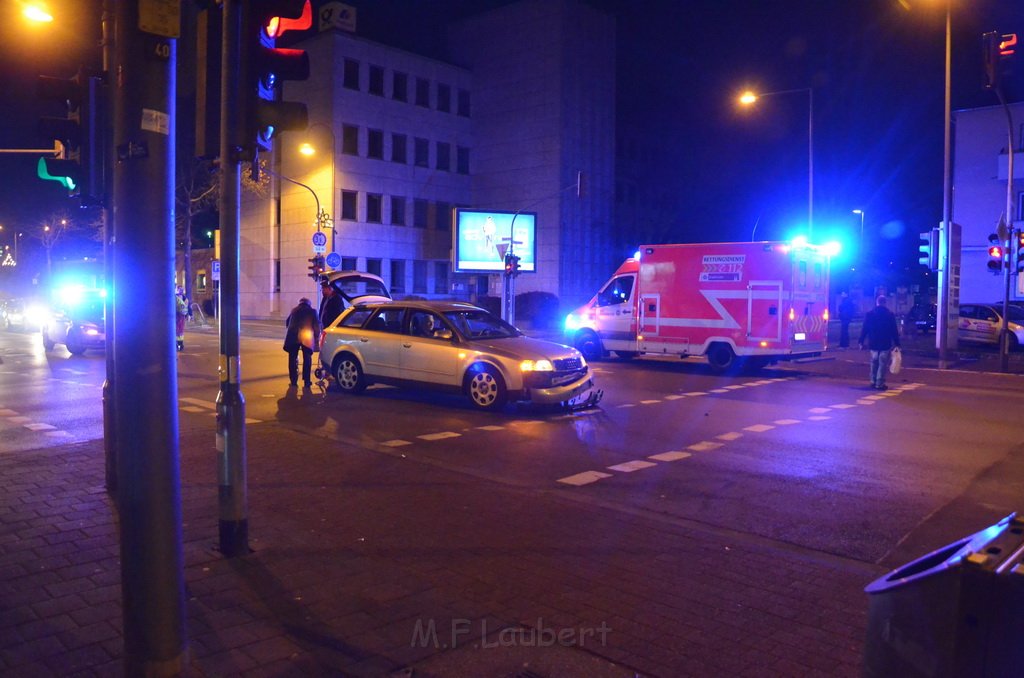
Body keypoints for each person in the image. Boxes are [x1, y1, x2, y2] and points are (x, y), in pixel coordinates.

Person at [859, 294, 900, 390]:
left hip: (873, 342)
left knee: (874, 362)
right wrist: (897, 343)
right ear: (885, 303)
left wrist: (861, 341)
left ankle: (873, 381)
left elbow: (864, 329)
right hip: (885, 342)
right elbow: (894, 330)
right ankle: (879, 383)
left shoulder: (870, 314)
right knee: (882, 363)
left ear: (877, 303)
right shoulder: (889, 314)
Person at [284, 297, 320, 387]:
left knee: (292, 358)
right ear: (309, 304)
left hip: (293, 336)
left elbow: (287, 322)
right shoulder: (312, 311)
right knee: (307, 358)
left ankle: (293, 380)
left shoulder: (294, 310)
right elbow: (316, 325)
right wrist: (316, 337)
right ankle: (307, 381)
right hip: (306, 337)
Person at [175, 287, 188, 352]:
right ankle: (179, 346)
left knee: (177, 331)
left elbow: (186, 306)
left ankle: (178, 346)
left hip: (179, 316)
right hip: (181, 315)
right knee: (179, 332)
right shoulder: (177, 298)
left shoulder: (175, 298)